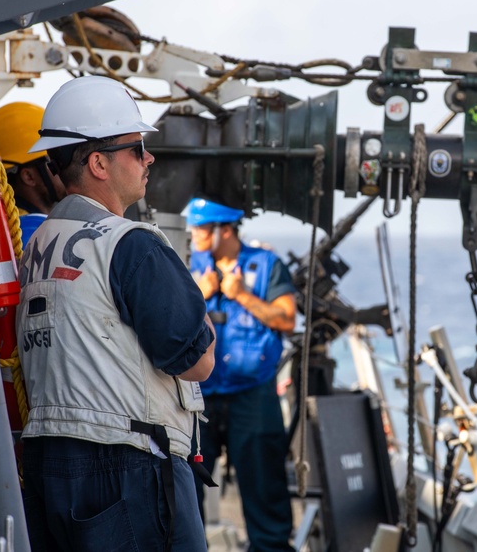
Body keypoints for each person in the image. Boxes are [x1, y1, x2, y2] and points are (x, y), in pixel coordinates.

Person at [16, 76, 215, 552]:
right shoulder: (129, 244)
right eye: (137, 147)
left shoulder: (37, 244)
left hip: (49, 465)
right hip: (129, 471)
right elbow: (197, 360)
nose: (148, 158)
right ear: (99, 163)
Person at [186, 197, 297, 552]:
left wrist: (243, 296)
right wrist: (198, 296)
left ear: (226, 230)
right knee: (187, 486)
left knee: (265, 484)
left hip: (253, 395)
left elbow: (287, 319)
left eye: (201, 228)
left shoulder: (266, 265)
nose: (193, 234)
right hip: (198, 397)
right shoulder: (185, 264)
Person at [0, 101, 67, 247]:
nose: (66, 167)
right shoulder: (36, 233)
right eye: (55, 160)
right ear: (29, 176)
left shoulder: (7, 227)